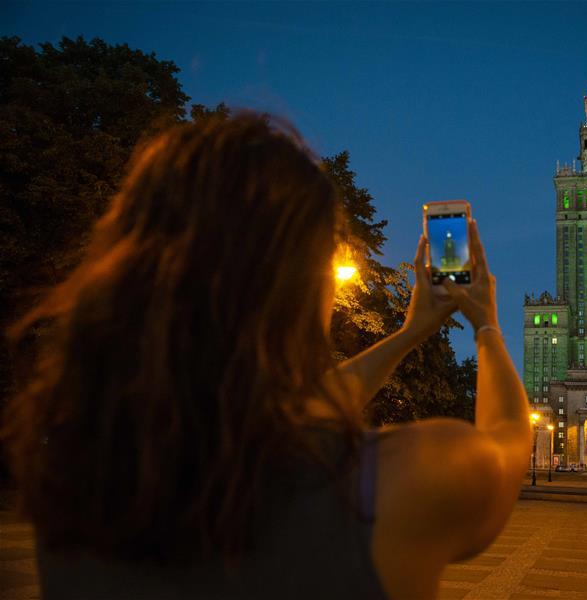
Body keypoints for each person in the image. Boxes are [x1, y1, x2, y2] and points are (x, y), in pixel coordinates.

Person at [0, 114, 532, 599]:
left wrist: (407, 334)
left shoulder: (73, 485)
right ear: (303, 290)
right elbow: (509, 439)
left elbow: (290, 410)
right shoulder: (402, 479)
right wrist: (486, 325)